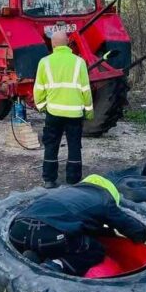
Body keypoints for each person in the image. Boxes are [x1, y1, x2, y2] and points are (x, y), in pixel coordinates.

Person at [9, 174, 146, 275]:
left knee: (56, 241)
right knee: (95, 249)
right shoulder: (105, 200)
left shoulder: (68, 192)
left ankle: (33, 257)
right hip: (51, 234)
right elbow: (132, 229)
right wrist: (143, 237)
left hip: (18, 231)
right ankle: (56, 265)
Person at [33, 30, 93, 188]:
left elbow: (38, 90)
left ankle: (49, 180)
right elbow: (86, 90)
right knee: (74, 145)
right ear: (68, 43)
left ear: (52, 44)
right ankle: (73, 179)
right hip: (75, 113)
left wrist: (42, 106)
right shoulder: (79, 62)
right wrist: (89, 111)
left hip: (53, 112)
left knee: (51, 144)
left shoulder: (44, 62)